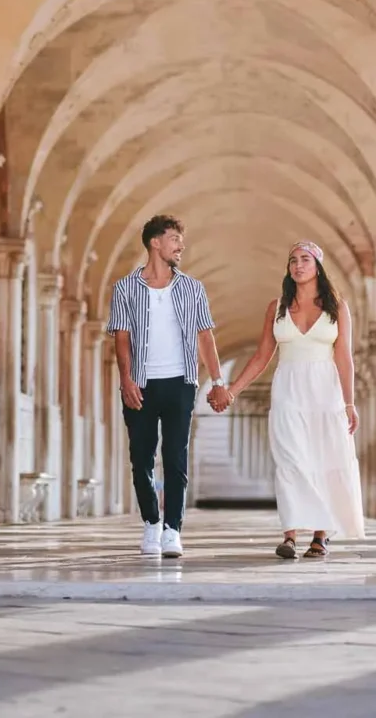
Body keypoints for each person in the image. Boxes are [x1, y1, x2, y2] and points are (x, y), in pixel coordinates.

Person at [209, 240, 364, 559]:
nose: (298, 265)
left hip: (325, 390)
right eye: (292, 260)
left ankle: (321, 535)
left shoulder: (338, 307)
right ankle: (290, 535)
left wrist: (349, 403)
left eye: (305, 259)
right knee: (290, 460)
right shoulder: (277, 307)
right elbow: (262, 356)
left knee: (323, 459)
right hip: (288, 387)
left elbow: (344, 358)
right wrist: (232, 390)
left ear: (318, 266)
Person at [107, 214, 224, 558]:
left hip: (181, 381)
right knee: (140, 457)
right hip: (141, 383)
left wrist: (217, 381)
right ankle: (151, 523)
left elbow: (206, 336)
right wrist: (125, 378)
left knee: (175, 457)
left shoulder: (193, 288)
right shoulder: (124, 288)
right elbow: (122, 338)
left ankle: (173, 529)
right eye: (174, 238)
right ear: (154, 242)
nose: (180, 246)